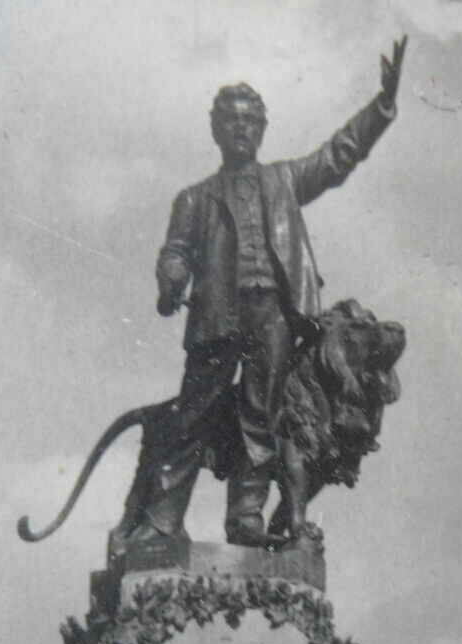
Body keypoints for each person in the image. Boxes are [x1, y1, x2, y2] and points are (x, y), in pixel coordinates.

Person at [123, 37, 407, 549]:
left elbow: (338, 155)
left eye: (250, 119)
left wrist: (382, 107)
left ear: (262, 128)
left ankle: (247, 520)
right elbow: (177, 250)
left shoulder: (285, 181)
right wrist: (171, 279)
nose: (241, 127)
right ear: (215, 128)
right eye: (231, 119)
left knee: (262, 417)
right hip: (217, 316)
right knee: (195, 416)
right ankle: (162, 521)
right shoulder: (195, 198)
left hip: (273, 315)